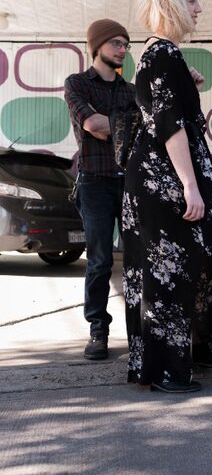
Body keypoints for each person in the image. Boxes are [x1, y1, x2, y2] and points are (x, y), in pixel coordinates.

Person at [122, 0, 212, 393]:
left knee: (167, 268)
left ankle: (172, 361)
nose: (199, 8)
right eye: (191, 1)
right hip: (167, 178)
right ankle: (170, 372)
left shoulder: (155, 55)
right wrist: (190, 187)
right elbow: (171, 128)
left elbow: (161, 109)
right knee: (174, 269)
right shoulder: (164, 56)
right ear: (172, 5)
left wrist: (186, 81)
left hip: (154, 178)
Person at [64, 19, 137, 360]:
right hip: (94, 182)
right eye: (117, 43)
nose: (123, 49)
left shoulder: (132, 90)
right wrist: (130, 126)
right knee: (100, 262)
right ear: (98, 46)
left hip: (130, 183)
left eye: (126, 44)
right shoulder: (77, 84)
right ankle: (98, 331)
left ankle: (142, 332)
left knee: (139, 260)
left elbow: (151, 128)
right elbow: (93, 125)